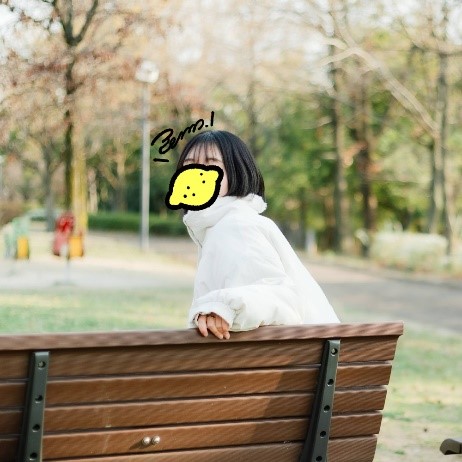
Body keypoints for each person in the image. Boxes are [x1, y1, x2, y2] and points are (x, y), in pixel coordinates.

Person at [177, 130, 340, 340]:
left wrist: (223, 307)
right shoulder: (225, 224)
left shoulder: (235, 226)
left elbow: (282, 297)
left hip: (292, 357)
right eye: (189, 165)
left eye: (211, 165)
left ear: (236, 172)